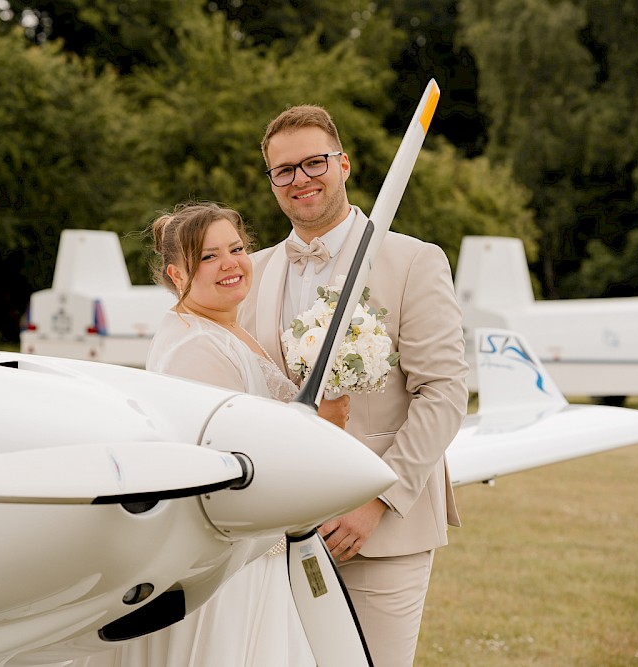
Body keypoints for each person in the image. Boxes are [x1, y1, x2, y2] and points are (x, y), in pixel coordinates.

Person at [239, 104, 469, 667]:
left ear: (343, 164)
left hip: (381, 534)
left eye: (313, 162)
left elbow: (443, 394)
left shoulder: (414, 260)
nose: (300, 179)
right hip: (274, 534)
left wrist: (377, 500)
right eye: (283, 171)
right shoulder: (255, 271)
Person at [74, 201, 348, 667]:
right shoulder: (195, 347)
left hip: (252, 549)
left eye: (237, 249)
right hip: (229, 562)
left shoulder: (222, 329)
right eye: (208, 256)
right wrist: (329, 420)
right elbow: (238, 462)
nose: (231, 264)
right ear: (177, 274)